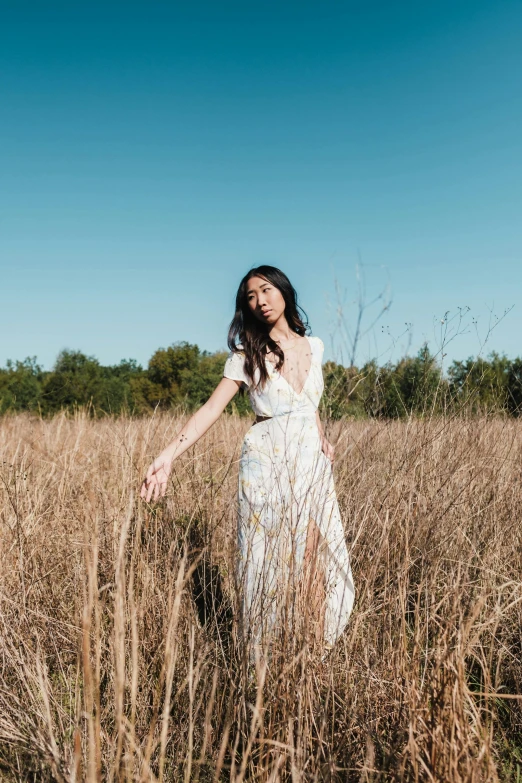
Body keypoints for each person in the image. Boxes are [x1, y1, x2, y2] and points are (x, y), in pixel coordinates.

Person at [140, 266, 355, 657]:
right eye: (251, 296)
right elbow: (210, 409)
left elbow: (309, 404)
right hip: (265, 461)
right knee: (267, 557)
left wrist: (320, 434)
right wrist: (169, 455)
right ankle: (265, 654)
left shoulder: (315, 347)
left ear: (284, 292)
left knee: (312, 555)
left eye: (266, 290)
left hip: (309, 462)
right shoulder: (246, 356)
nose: (260, 300)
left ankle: (312, 655)